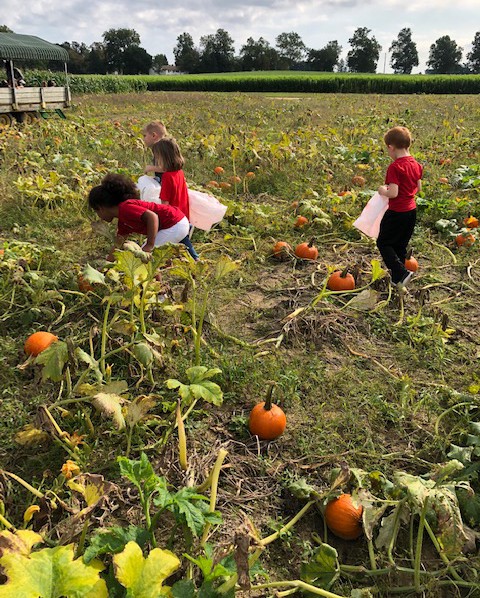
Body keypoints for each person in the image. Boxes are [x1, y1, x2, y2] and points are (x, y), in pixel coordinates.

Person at [88, 173, 198, 261]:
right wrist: (107, 264)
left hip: (174, 224)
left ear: (101, 208)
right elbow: (118, 243)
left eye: (96, 211)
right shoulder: (123, 221)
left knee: (145, 256)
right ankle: (158, 284)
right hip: (176, 223)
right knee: (148, 256)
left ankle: (157, 286)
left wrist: (150, 244)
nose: (99, 216)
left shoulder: (125, 208)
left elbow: (152, 217)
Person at [376, 126, 422, 289]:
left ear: (391, 147)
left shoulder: (395, 167)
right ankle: (398, 280)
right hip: (411, 211)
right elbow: (419, 188)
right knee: (400, 245)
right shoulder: (416, 164)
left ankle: (401, 272)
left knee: (384, 243)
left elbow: (393, 193)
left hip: (397, 212)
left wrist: (383, 190)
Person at [151, 137, 199, 260]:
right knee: (182, 241)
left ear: (164, 158)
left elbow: (165, 203)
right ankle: (176, 260)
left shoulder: (167, 177)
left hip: (174, 218)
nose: (157, 162)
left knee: (184, 242)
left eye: (158, 158)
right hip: (184, 213)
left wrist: (160, 221)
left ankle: (196, 259)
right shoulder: (179, 172)